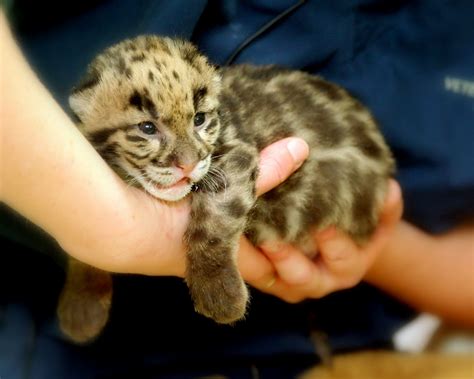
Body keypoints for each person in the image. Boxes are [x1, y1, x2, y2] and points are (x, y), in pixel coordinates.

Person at [1, 1, 473, 378]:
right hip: (63, 342)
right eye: (147, 129)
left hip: (341, 338)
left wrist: (375, 247)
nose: (188, 162)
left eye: (201, 122)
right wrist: (104, 229)